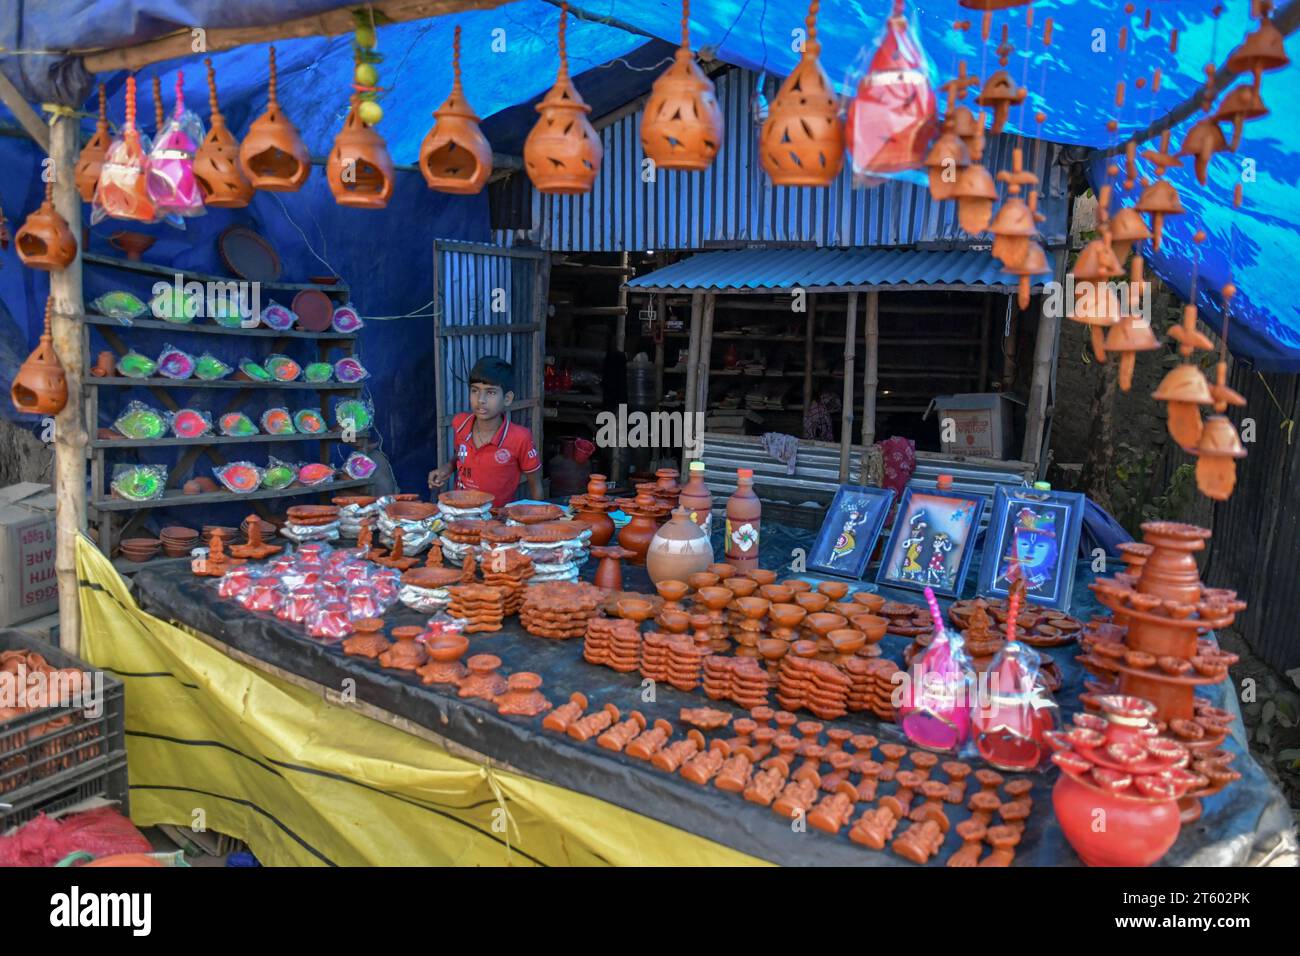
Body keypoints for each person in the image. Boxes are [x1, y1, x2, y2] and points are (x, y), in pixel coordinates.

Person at [427, 356, 543, 508]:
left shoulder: (520, 438)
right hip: (459, 515)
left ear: (507, 399)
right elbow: (461, 455)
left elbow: (535, 485)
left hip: (497, 522)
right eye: (475, 390)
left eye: (491, 393)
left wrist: (540, 521)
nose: (481, 399)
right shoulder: (460, 423)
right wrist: (447, 468)